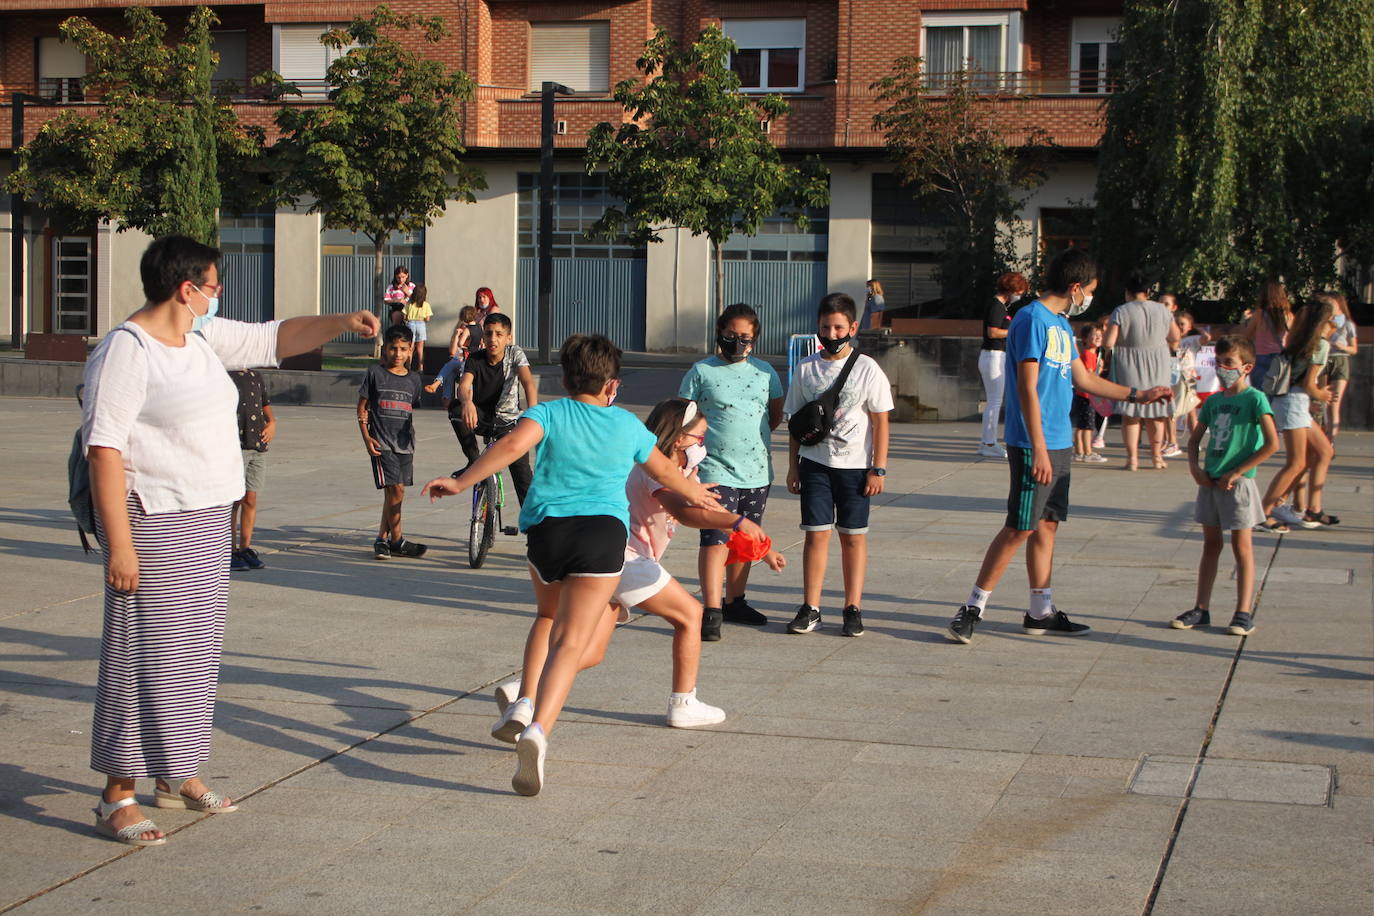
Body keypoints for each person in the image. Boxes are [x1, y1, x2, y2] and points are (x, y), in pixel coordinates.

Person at [83, 235, 378, 846]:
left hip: (208, 518)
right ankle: (118, 793)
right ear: (185, 289)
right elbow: (104, 448)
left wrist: (343, 323)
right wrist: (120, 545)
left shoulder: (199, 337)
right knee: (144, 658)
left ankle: (177, 772)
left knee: (193, 660)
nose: (219, 296)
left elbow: (276, 337)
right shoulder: (128, 351)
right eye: (213, 286)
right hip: (154, 520)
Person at [422, 334, 722, 797]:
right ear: (613, 386)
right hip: (602, 537)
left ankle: (523, 701)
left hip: (549, 532)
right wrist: (698, 493)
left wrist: (461, 482)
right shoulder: (625, 425)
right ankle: (538, 730)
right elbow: (664, 471)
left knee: (546, 617)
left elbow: (509, 448)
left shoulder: (547, 413)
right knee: (571, 642)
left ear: (564, 378)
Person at [489, 398, 787, 741]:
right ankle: (683, 703)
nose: (702, 446)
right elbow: (690, 514)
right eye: (700, 438)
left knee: (591, 651)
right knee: (690, 615)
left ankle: (524, 691)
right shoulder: (654, 469)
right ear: (679, 438)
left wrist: (762, 549)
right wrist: (738, 520)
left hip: (609, 561)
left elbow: (698, 505)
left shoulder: (675, 471)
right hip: (625, 559)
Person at [945, 248, 1172, 645]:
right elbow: (1027, 387)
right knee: (1020, 526)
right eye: (1091, 291)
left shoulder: (1062, 326)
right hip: (1036, 442)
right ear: (1076, 287)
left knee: (1047, 525)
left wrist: (1138, 395)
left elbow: (1083, 379)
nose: (1092, 299)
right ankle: (972, 608)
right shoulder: (1032, 319)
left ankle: (1040, 610)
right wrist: (1039, 448)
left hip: (1059, 440)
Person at [784, 293, 894, 637]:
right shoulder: (806, 369)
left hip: (856, 468)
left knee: (852, 538)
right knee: (816, 536)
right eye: (825, 328)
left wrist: (879, 468)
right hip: (815, 463)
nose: (831, 334)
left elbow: (881, 422)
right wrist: (793, 466)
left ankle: (852, 607)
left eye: (838, 327)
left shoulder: (867, 369)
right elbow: (796, 423)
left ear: (853, 327)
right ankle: (811, 607)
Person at [678, 303, 784, 639]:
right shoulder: (701, 372)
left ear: (755, 339)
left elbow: (774, 415)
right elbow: (681, 417)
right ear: (719, 333)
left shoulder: (766, 373)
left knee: (744, 539)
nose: (737, 342)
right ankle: (711, 609)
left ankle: (735, 600)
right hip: (713, 470)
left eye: (745, 337)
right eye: (730, 335)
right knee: (715, 537)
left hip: (756, 471)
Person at [1173, 336, 1279, 636]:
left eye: (1229, 364)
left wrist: (1239, 471)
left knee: (1241, 548)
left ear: (1246, 367)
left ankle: (1243, 612)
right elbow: (1194, 441)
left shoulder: (1255, 399)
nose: (1222, 369)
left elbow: (1272, 443)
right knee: (1211, 545)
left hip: (1238, 484)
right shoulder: (1216, 401)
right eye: (1219, 363)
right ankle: (1201, 607)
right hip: (1211, 480)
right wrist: (1194, 468)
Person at [1258, 300, 1338, 531]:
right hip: (1295, 402)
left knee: (1324, 451)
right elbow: (1308, 384)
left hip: (1292, 401)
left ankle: (1314, 509)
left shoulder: (1298, 341)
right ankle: (1264, 512)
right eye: (1332, 320)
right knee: (1296, 463)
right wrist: (1321, 395)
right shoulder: (1320, 345)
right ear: (1324, 322)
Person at [443, 312, 538, 504]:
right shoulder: (475, 359)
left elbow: (528, 382)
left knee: (524, 481)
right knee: (455, 408)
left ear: (508, 337)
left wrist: (534, 416)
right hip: (482, 418)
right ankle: (474, 460)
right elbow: (463, 386)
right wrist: (467, 402)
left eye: (498, 334)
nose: (492, 339)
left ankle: (535, 529)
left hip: (509, 424)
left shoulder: (515, 354)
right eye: (488, 333)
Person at [358, 325, 427, 560]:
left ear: (410, 352)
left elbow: (411, 409)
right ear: (385, 349)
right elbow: (362, 408)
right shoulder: (375, 374)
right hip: (381, 443)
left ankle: (384, 540)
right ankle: (395, 539)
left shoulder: (414, 380)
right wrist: (367, 437)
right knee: (394, 489)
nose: (398, 354)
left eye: (403, 349)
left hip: (405, 445)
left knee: (396, 493)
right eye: (393, 348)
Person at [1105, 273, 1180, 470]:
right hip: (1159, 361)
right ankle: (1157, 457)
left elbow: (1108, 342)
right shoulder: (1163, 310)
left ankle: (1132, 460)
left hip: (1128, 362)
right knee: (1156, 412)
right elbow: (1175, 336)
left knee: (1131, 413)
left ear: (1127, 292)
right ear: (1148, 292)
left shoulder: (1121, 311)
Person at [977, 272, 1029, 458]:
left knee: (994, 401)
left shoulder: (1000, 306)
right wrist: (1012, 330)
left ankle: (988, 441)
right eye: (1019, 291)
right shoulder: (997, 306)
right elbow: (992, 332)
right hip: (993, 355)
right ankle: (988, 442)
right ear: (1011, 290)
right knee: (994, 401)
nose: (1020, 295)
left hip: (995, 356)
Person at [228, 369, 274, 572]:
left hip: (257, 443)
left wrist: (272, 422)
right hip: (235, 444)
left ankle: (245, 547)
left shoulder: (256, 375)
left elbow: (265, 403)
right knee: (234, 501)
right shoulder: (225, 373)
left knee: (251, 498)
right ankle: (229, 550)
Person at [1241, 281, 1292, 394]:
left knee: (1261, 396)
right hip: (1281, 359)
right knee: (1279, 395)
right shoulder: (1288, 315)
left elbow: (1245, 336)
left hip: (1261, 357)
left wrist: (1244, 321)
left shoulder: (1259, 314)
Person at [1320, 292, 1358, 442]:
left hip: (1340, 360)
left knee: (1334, 403)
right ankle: (1321, 436)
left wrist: (1343, 347)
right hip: (1323, 359)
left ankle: (1330, 441)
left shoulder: (1348, 324)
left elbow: (1354, 349)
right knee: (1321, 400)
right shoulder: (1324, 323)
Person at [1071, 323, 1108, 463]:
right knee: (1087, 426)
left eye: (1100, 335)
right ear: (1085, 339)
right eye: (1095, 335)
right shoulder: (1088, 355)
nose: (1099, 337)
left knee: (1083, 425)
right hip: (1087, 396)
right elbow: (1089, 375)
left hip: (1084, 395)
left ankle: (1079, 451)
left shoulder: (1093, 355)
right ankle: (1086, 452)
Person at [402, 284, 433, 373]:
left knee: (410, 347)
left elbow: (405, 316)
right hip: (421, 325)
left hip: (411, 324)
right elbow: (427, 319)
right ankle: (421, 367)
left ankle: (408, 366)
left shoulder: (409, 304)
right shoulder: (426, 305)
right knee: (420, 348)